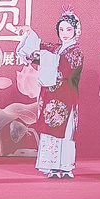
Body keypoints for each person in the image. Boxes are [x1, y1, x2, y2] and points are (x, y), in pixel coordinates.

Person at [16, 10, 83, 178]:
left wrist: (45, 57)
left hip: (66, 96)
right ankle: (51, 166)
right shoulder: (55, 49)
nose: (65, 33)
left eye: (69, 29)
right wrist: (30, 33)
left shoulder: (76, 52)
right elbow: (37, 47)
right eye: (62, 29)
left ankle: (66, 167)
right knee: (49, 130)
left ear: (76, 30)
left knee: (65, 131)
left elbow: (66, 69)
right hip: (50, 96)